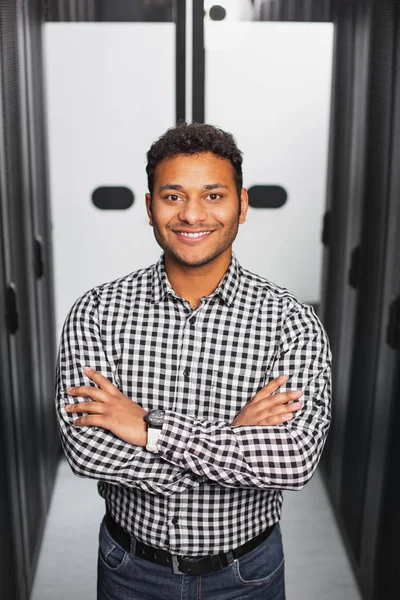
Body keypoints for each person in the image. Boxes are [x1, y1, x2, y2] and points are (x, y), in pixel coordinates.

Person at [56, 122, 332, 600]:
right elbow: (87, 451)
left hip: (247, 573)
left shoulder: (292, 322)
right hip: (129, 568)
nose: (191, 215)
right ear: (150, 208)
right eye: (173, 196)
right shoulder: (97, 311)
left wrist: (150, 428)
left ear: (241, 206)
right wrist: (235, 438)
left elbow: (295, 461)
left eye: (212, 195)